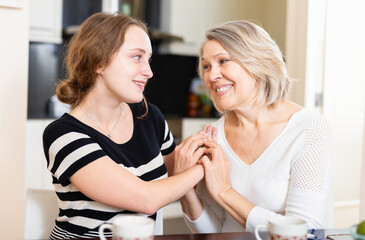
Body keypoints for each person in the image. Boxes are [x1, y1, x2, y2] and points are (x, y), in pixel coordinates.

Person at [42, 12, 208, 239]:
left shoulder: (149, 117)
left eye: (148, 59)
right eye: (137, 57)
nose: (149, 72)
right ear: (99, 61)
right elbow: (147, 199)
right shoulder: (63, 135)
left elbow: (177, 176)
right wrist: (202, 168)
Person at [174, 20, 333, 233]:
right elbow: (215, 231)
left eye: (223, 61)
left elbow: (303, 231)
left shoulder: (310, 129)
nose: (211, 76)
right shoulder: (212, 136)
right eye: (206, 66)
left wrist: (224, 191)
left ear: (257, 62)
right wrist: (184, 188)